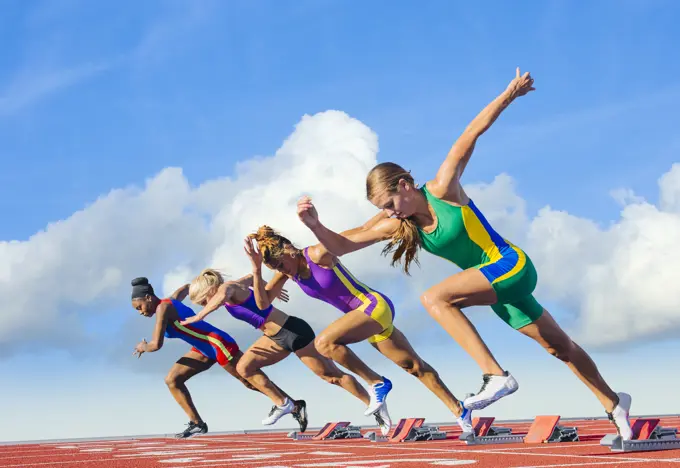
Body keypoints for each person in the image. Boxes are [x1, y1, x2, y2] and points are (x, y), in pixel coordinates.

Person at [294, 67, 633, 440]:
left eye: (391, 203)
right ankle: (615, 404)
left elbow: (470, 134)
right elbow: (344, 244)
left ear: (405, 185)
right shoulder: (400, 225)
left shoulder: (443, 190)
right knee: (560, 346)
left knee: (435, 298)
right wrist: (314, 225)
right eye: (385, 209)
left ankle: (496, 376)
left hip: (510, 265)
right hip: (498, 288)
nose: (390, 213)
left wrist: (509, 95)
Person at [245, 225, 474, 433]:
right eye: (276, 269)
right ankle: (460, 410)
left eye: (281, 265)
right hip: (366, 320)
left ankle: (377, 383)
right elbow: (263, 304)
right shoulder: (288, 273)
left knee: (324, 343)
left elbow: (347, 237)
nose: (282, 271)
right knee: (414, 366)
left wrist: (387, 224)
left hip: (373, 306)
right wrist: (256, 270)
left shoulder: (317, 254)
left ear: (288, 249)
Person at [179, 268, 391, 435]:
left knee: (332, 376)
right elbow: (256, 279)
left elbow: (222, 294)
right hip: (273, 338)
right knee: (244, 367)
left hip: (293, 332)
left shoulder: (228, 289)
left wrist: (200, 317)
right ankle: (284, 403)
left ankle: (375, 406)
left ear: (210, 290)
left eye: (204, 301)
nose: (205, 305)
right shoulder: (236, 286)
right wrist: (270, 291)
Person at [130, 276, 308, 438]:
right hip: (202, 348)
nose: (140, 312)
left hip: (217, 343)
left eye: (140, 307)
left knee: (249, 380)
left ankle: (294, 405)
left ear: (148, 297)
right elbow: (186, 288)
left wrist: (142, 347)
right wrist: (200, 285)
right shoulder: (171, 300)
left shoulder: (163, 307)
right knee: (172, 380)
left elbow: (156, 344)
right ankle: (197, 424)